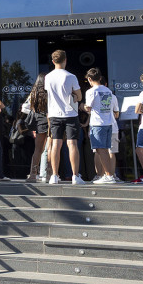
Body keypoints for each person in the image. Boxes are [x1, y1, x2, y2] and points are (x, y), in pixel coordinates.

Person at [45, 51, 86, 185]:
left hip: (54, 113)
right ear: (65, 60)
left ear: (53, 61)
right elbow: (79, 96)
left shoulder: (48, 77)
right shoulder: (71, 76)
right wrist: (74, 96)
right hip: (70, 113)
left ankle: (54, 175)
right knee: (72, 144)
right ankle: (75, 176)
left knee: (56, 144)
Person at [82, 69, 119, 184]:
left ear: (89, 79)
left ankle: (108, 175)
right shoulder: (108, 91)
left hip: (98, 123)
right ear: (100, 77)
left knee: (100, 150)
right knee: (105, 150)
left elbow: (88, 107)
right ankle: (109, 175)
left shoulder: (91, 91)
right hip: (108, 123)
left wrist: (82, 106)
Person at [22, 77, 49, 183]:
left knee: (38, 149)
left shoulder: (34, 94)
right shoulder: (50, 91)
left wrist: (34, 112)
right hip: (51, 119)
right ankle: (50, 174)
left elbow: (24, 107)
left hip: (39, 121)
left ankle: (33, 175)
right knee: (51, 148)